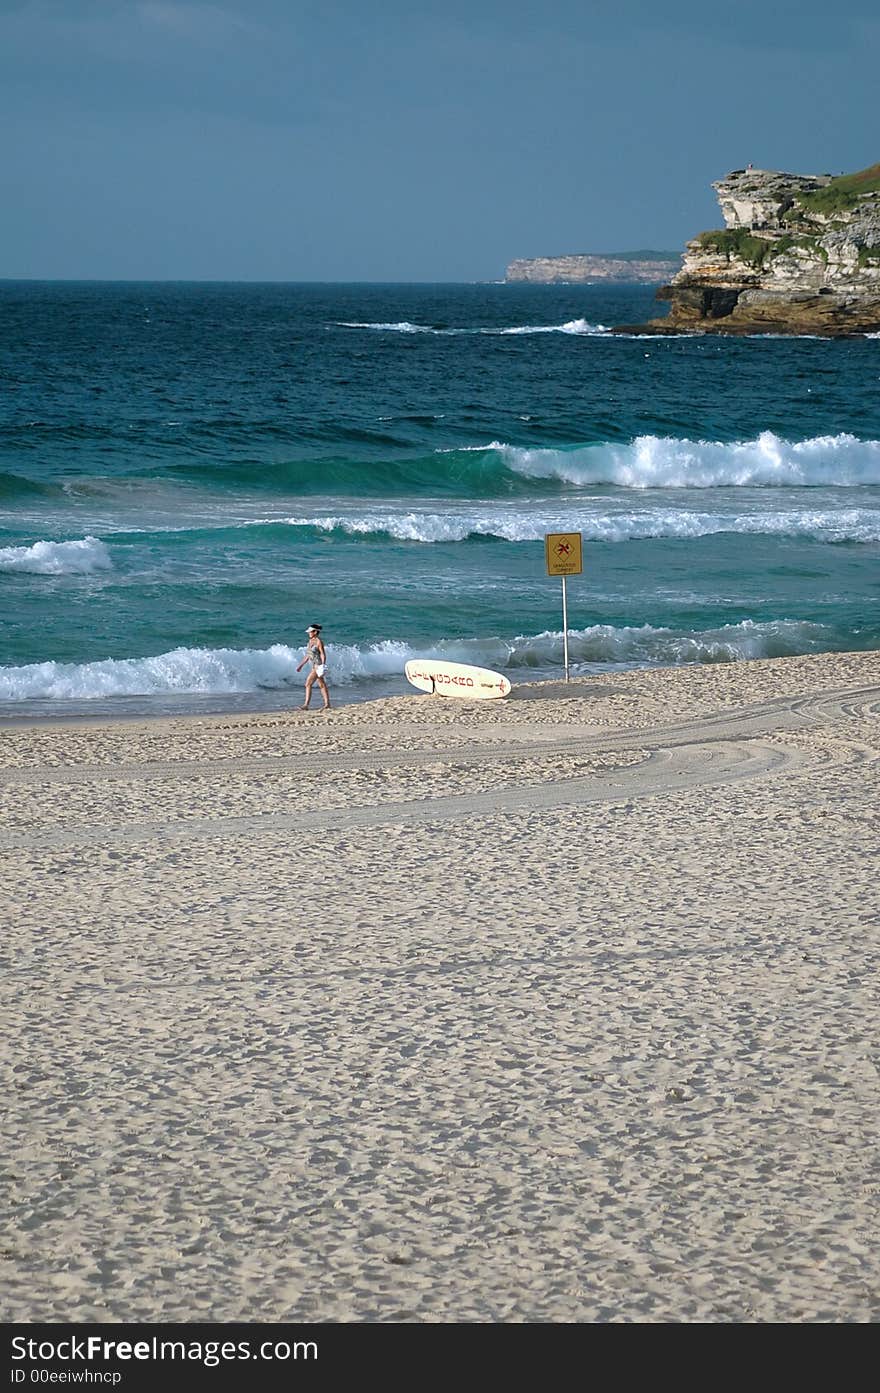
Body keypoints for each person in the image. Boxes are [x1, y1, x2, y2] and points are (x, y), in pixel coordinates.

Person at [296, 624, 330, 710]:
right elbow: (308, 655)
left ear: (315, 632)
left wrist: (323, 665)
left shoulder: (319, 642)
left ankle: (306, 705)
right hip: (313, 666)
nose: (309, 633)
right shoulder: (310, 641)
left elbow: (322, 654)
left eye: (310, 632)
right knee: (321, 684)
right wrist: (301, 665)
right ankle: (327, 704)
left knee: (308, 684)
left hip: (317, 666)